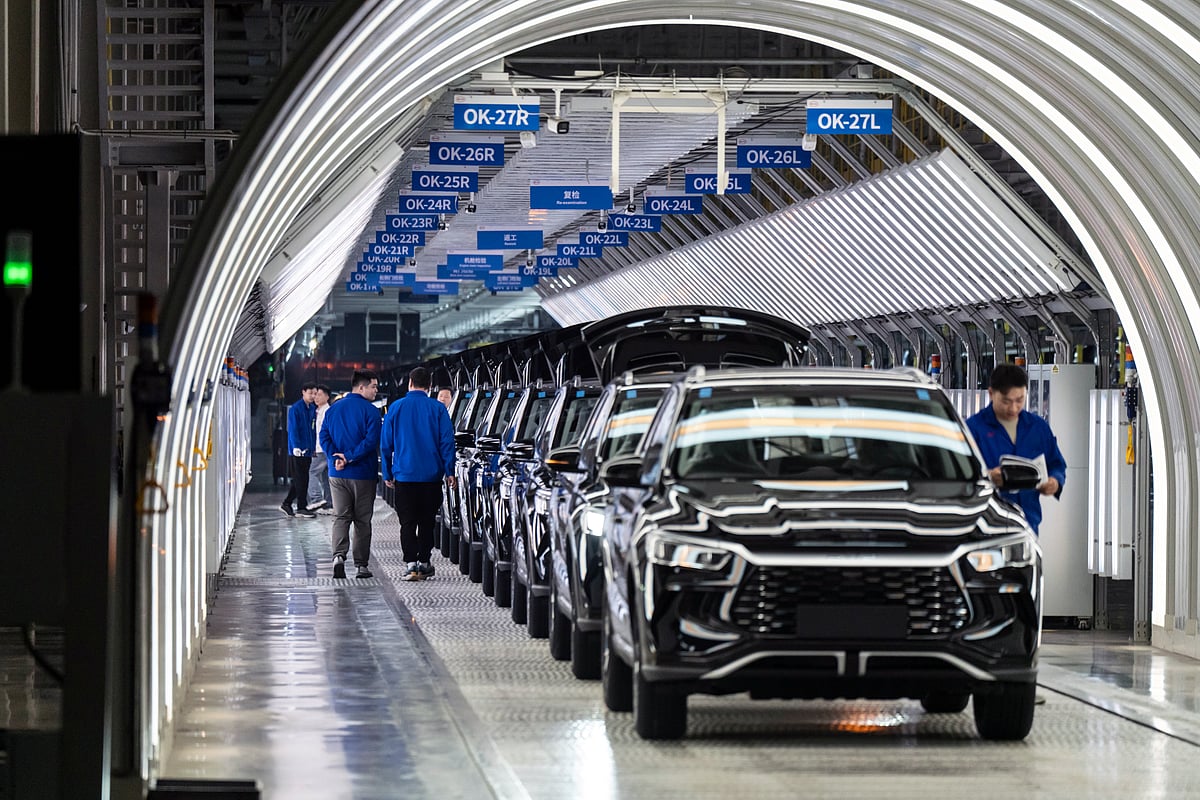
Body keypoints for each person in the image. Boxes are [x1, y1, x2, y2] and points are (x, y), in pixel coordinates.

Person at [966, 363, 1067, 534]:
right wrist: (988, 477)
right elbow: (959, 476)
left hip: (1027, 524)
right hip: (986, 526)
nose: (1013, 408)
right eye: (1006, 401)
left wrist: (1055, 482)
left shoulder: (1037, 427)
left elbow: (1056, 464)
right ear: (991, 393)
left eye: (1019, 400)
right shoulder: (973, 429)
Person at [381, 366, 456, 581]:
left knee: (407, 522)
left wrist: (387, 472)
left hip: (404, 476)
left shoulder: (395, 408)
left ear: (410, 383)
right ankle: (424, 562)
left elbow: (386, 444)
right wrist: (449, 471)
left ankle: (410, 564)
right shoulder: (438, 409)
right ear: (429, 386)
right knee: (427, 521)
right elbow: (447, 442)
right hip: (431, 477)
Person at [320, 370, 382, 578]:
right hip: (363, 474)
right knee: (362, 520)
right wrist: (349, 457)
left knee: (341, 516)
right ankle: (361, 566)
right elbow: (371, 442)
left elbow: (324, 436)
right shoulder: (371, 412)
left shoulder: (333, 409)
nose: (376, 390)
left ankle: (338, 556)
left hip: (337, 474)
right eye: (373, 386)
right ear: (361, 387)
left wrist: (335, 458)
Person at [280, 381, 318, 518]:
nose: (313, 396)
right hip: (298, 450)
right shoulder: (296, 409)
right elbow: (293, 429)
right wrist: (296, 446)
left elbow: (312, 430)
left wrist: (313, 447)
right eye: (310, 393)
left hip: (307, 449)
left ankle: (288, 503)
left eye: (315, 393)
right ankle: (301, 506)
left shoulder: (312, 409)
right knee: (300, 479)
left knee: (302, 479)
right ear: (303, 392)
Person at [307, 385, 334, 512]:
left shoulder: (327, 412)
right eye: (315, 394)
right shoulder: (317, 411)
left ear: (327, 397)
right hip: (322, 449)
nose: (316, 397)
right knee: (325, 477)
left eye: (319, 395)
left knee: (311, 472)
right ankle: (329, 503)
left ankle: (316, 499)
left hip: (321, 449)